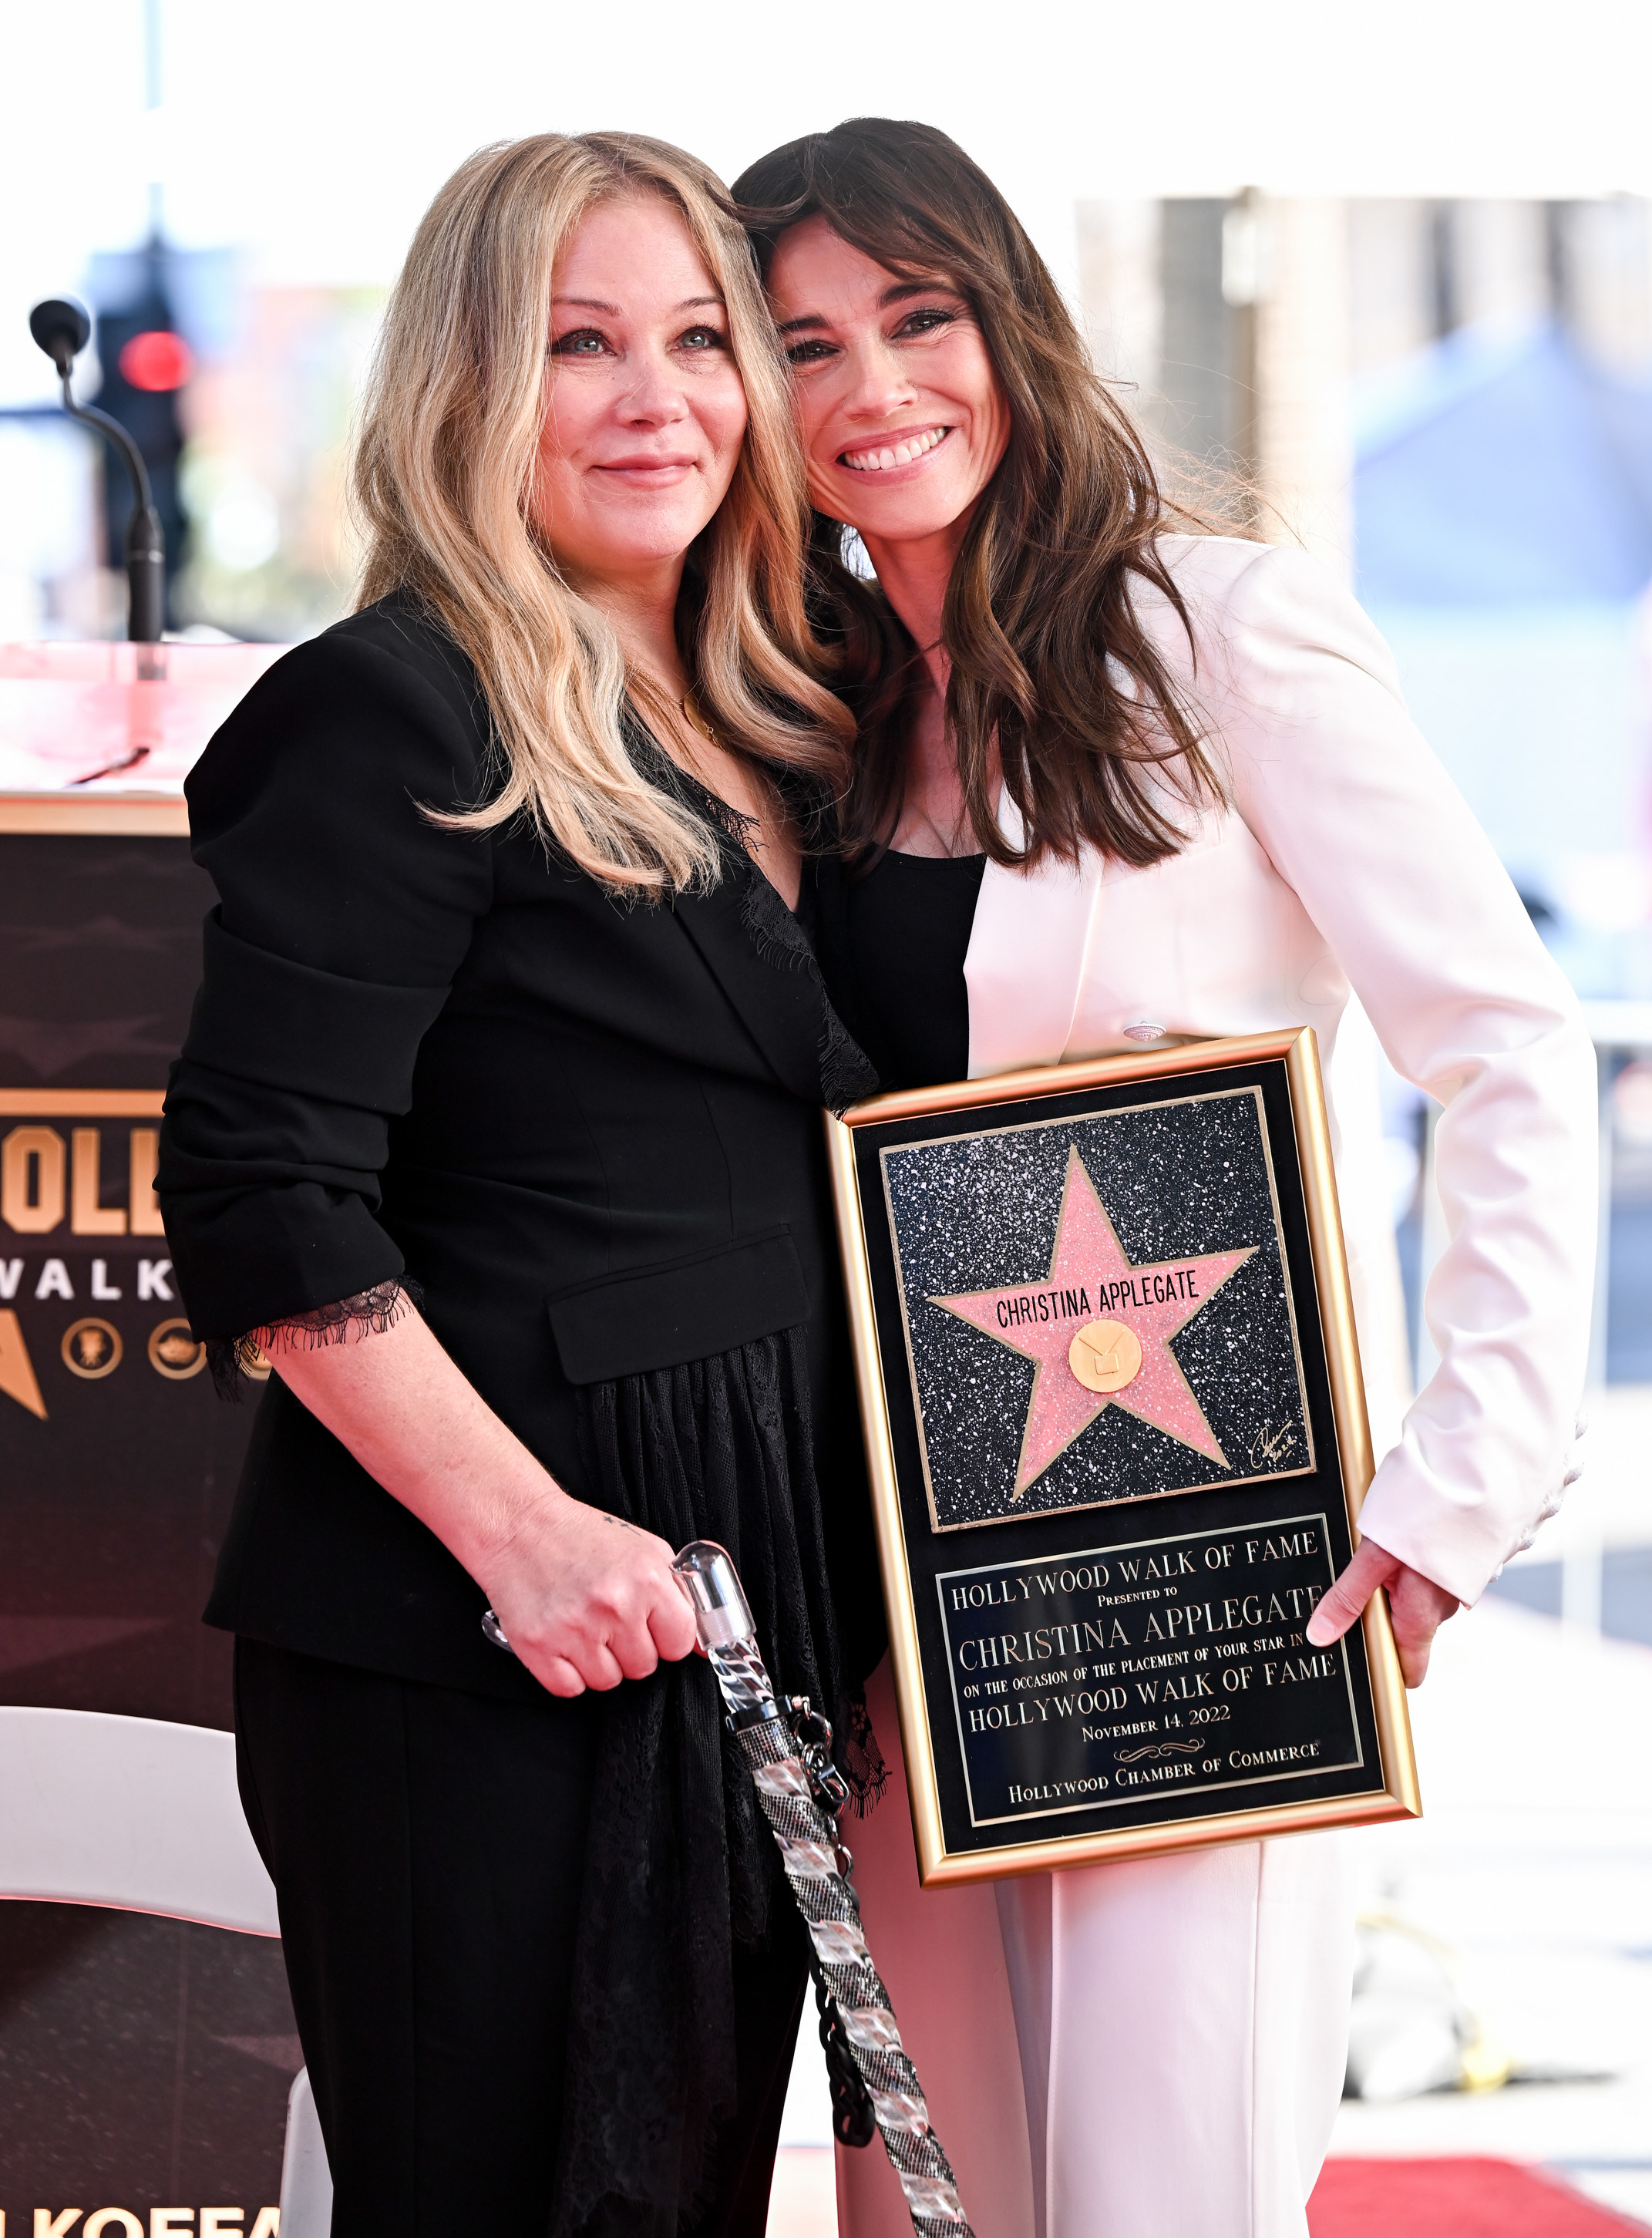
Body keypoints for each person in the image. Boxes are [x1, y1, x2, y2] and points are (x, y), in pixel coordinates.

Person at [732, 117, 1597, 2238]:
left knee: (1160, 2186)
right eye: (805, 344)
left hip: (1202, 1573)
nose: (870, 392)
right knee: (929, 2200)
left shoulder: (1219, 635)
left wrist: (1459, 1486)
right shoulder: (812, 709)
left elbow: (1505, 1046)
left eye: (915, 320)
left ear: (1009, 322)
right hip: (886, 1582)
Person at [158, 131, 884, 2237]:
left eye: (697, 338)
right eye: (582, 345)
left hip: (746, 1590)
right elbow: (264, 1199)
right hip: (489, 1629)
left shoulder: (796, 709)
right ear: (470, 386)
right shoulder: (387, 710)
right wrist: (533, 1540)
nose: (658, 396)